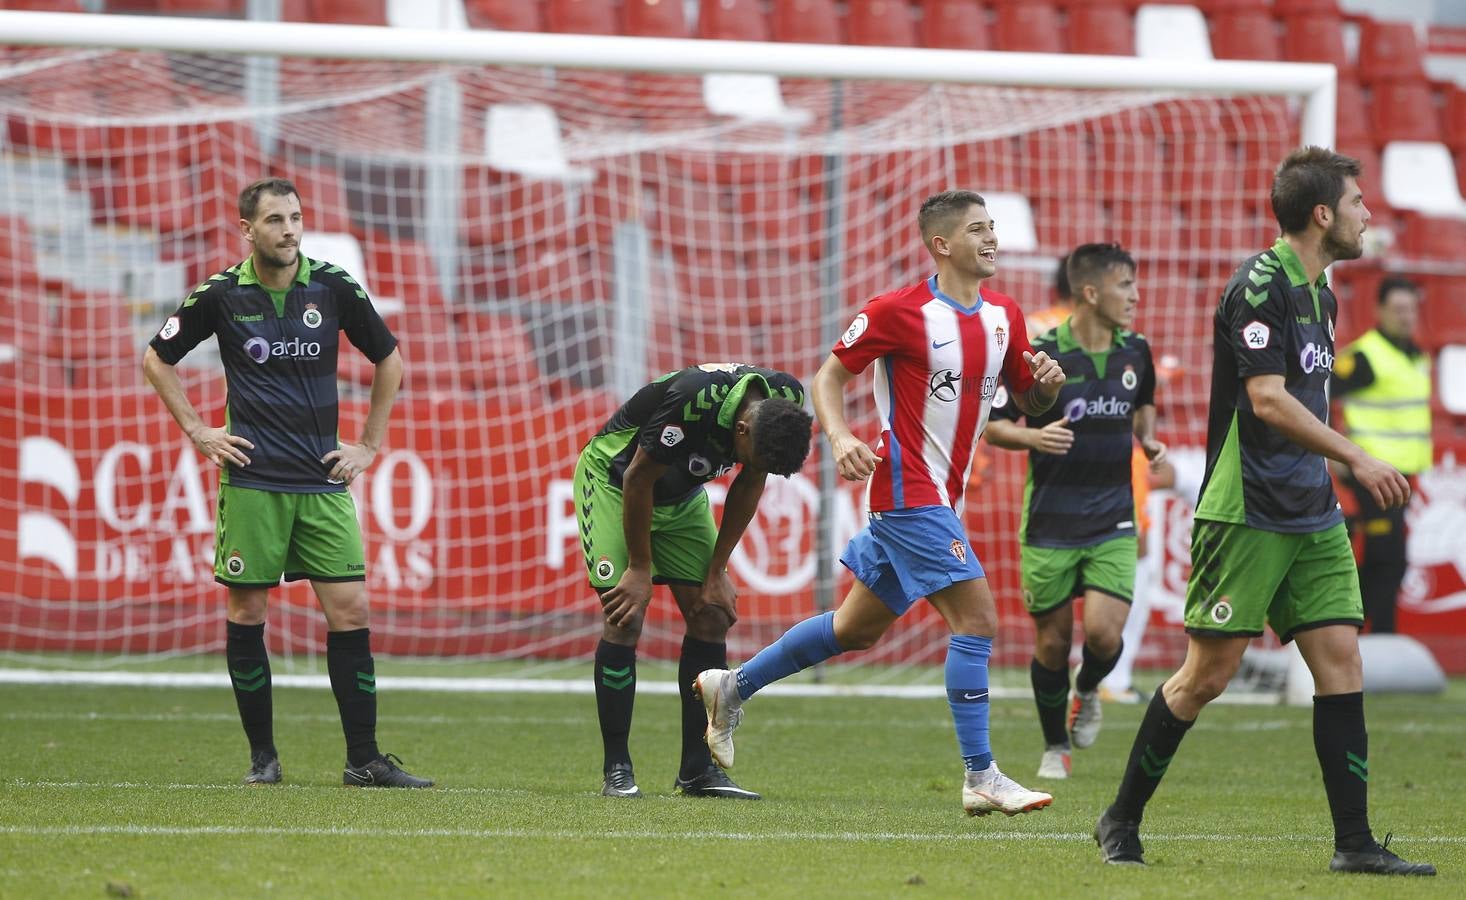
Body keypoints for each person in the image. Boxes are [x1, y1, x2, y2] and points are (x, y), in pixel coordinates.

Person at [1093, 148, 1434, 876]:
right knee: (1206, 677)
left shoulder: (1326, 294)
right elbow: (1269, 400)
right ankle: (1120, 816)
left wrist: (1333, 466)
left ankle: (1354, 844)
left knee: (1342, 662)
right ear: (1322, 214)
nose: (1367, 214)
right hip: (1246, 506)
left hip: (1309, 509)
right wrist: (1359, 458)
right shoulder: (1259, 285)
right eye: (1356, 203)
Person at [696, 190, 1066, 816]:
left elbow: (1026, 400)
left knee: (854, 629)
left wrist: (1046, 391)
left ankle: (732, 687)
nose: (992, 238)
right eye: (978, 229)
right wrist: (839, 436)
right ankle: (981, 776)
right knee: (976, 621)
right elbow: (829, 377)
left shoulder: (1006, 315)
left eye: (993, 227)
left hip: (941, 494)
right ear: (942, 244)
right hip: (905, 489)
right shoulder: (899, 311)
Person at [142, 177, 431, 788]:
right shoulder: (220, 294)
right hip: (253, 482)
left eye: (296, 217)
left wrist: (370, 445)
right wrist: (198, 430)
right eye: (275, 220)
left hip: (322, 480)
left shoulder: (332, 286)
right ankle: (263, 760)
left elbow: (390, 358)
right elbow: (156, 358)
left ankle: (364, 760)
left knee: (351, 612)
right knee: (248, 611)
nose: (290, 230)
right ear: (248, 229)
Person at [574, 363, 813, 799]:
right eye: (749, 457)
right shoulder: (692, 399)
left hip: (681, 499)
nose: (749, 466)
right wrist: (640, 569)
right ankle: (617, 769)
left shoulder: (785, 403)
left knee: (712, 614)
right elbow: (637, 477)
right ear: (741, 429)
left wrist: (717, 571)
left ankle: (697, 772)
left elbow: (751, 481)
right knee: (625, 616)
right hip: (614, 483)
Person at [984, 243, 1167, 781]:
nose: (1135, 296)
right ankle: (1054, 745)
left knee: (1106, 635)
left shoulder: (1137, 351)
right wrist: (1033, 435)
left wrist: (1149, 440)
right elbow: (994, 425)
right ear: (1091, 292)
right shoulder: (1042, 355)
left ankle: (1086, 690)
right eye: (1124, 286)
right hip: (1051, 518)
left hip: (1113, 515)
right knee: (1053, 642)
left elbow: (1145, 402)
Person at [1332, 276, 1432, 634]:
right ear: (1379, 311)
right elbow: (1317, 396)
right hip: (1372, 474)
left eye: (1411, 309)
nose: (1406, 317)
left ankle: (1369, 636)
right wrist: (1336, 452)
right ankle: (1364, 633)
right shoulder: (1365, 357)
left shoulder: (1415, 355)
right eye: (1398, 310)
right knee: (1384, 558)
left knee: (1387, 559)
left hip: (1402, 475)